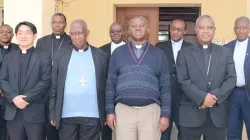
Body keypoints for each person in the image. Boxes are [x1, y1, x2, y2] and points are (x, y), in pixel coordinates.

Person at [105, 16, 171, 140]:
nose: (138, 28)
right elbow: (110, 83)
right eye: (134, 26)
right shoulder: (118, 53)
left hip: (150, 111)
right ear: (129, 30)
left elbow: (165, 85)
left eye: (141, 25)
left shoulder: (159, 54)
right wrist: (110, 111)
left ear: (148, 29)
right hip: (123, 111)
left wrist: (165, 114)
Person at [176, 15, 236, 140]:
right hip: (190, 114)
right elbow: (182, 80)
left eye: (209, 27)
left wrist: (213, 98)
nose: (206, 31)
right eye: (202, 27)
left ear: (214, 30)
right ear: (196, 30)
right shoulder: (184, 53)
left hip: (217, 115)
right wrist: (202, 98)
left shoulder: (225, 52)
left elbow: (231, 79)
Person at [49, 19, 109, 140]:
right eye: (73, 33)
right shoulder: (61, 55)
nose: (76, 37)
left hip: (93, 115)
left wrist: (107, 112)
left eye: (80, 33)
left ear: (87, 33)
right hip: (66, 115)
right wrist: (52, 112)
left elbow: (107, 86)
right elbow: (54, 86)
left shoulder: (100, 55)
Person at [0, 21, 51, 140]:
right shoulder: (9, 57)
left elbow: (45, 81)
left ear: (34, 36)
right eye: (20, 33)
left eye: (27, 33)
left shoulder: (44, 57)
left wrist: (25, 99)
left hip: (34, 113)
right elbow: (2, 79)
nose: (23, 36)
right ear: (16, 36)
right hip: (13, 113)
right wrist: (14, 98)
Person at [36, 12, 71, 140]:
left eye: (60, 22)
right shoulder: (41, 42)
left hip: (63, 87)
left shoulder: (71, 41)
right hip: (45, 89)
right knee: (46, 124)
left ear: (65, 24)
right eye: (54, 22)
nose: (57, 25)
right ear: (51, 24)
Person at [156, 19, 191, 140]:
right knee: (164, 132)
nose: (175, 32)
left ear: (185, 31)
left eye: (179, 29)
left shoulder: (191, 48)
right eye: (173, 29)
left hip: (185, 98)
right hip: (165, 96)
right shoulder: (159, 47)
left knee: (185, 132)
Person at [224, 16, 250, 140]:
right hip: (232, 95)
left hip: (248, 94)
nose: (241, 31)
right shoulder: (226, 48)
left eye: (244, 28)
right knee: (232, 131)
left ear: (248, 29)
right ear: (234, 29)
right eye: (238, 28)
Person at [0, 24, 19, 140]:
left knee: (13, 127)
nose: (5, 34)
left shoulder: (18, 48)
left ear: (12, 34)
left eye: (8, 32)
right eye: (2, 32)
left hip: (13, 96)